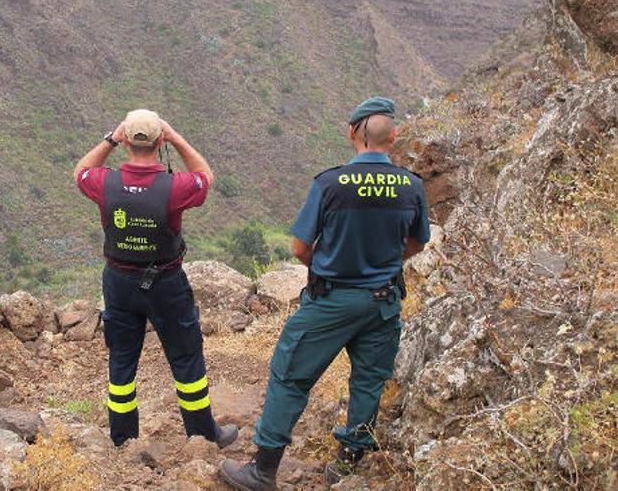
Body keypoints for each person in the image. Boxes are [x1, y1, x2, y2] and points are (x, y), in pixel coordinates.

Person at [219, 97, 431, 490]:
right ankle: (348, 464)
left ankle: (263, 470)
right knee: (368, 381)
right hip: (382, 303)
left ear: (353, 133)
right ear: (394, 136)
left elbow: (299, 247)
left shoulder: (331, 183)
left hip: (331, 300)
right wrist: (383, 263)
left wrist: (330, 264)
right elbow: (418, 243)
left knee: (290, 376)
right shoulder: (411, 186)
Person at [73, 108, 239, 449]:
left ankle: (123, 439)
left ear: (125, 140)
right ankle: (203, 434)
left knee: (121, 359)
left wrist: (109, 139)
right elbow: (205, 175)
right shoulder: (174, 187)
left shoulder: (106, 183)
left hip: (118, 282)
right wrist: (175, 138)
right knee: (185, 357)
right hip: (165, 282)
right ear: (159, 140)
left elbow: (81, 172)